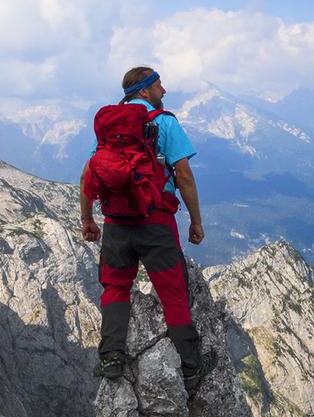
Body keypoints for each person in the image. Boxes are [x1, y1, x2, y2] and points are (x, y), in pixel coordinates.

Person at [79, 66, 213, 393]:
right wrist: (196, 221)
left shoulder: (111, 127)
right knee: (173, 291)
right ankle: (191, 367)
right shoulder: (164, 122)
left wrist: (88, 220)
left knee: (115, 287)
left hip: (116, 224)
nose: (164, 90)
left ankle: (111, 356)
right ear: (144, 90)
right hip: (155, 222)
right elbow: (183, 175)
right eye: (158, 85)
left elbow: (88, 176)